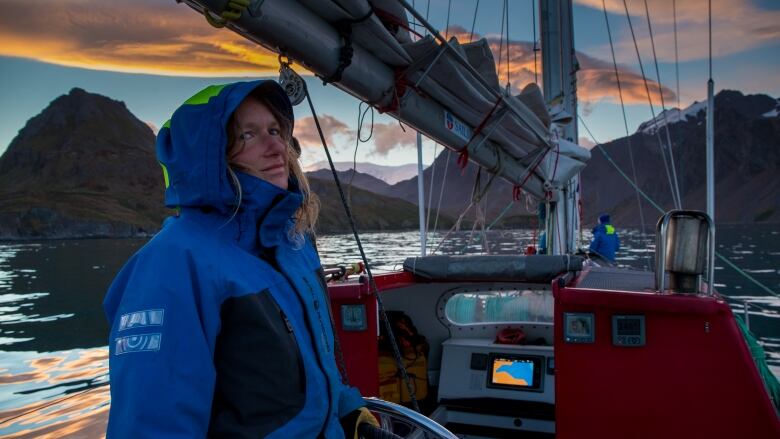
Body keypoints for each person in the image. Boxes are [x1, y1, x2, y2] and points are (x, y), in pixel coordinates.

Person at [103, 80, 377, 438]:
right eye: (247, 135)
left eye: (275, 130)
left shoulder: (294, 243)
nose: (276, 146)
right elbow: (152, 425)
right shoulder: (172, 264)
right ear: (208, 155)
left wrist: (346, 406)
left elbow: (312, 365)